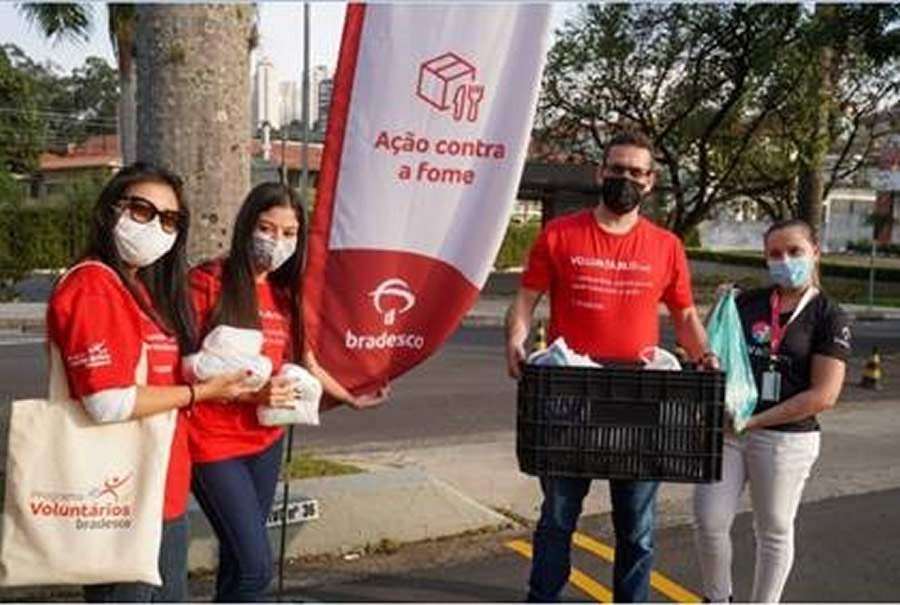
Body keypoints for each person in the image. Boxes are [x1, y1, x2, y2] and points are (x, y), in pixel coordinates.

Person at [505, 130, 717, 602]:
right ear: (601, 173)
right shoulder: (560, 234)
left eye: (636, 172)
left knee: (637, 526)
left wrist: (704, 356)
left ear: (651, 181)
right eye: (617, 169)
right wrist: (516, 340)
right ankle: (544, 597)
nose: (625, 179)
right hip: (569, 392)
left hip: (637, 397)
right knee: (558, 516)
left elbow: (684, 315)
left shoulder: (666, 246)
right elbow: (525, 300)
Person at [45, 163, 256, 602]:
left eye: (170, 219)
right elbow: (107, 401)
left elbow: (153, 374)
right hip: (121, 495)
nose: (157, 227)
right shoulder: (94, 287)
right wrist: (202, 393)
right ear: (110, 212)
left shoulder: (138, 289)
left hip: (159, 489)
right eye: (143, 211)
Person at [188, 182, 389, 602]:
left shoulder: (285, 293)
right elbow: (183, 371)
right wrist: (252, 395)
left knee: (239, 561)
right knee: (257, 569)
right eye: (265, 228)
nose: (275, 241)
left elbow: (308, 362)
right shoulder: (207, 281)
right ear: (245, 227)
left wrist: (351, 398)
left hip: (266, 443)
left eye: (288, 233)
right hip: (212, 444)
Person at [693, 219, 851, 603]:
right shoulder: (747, 303)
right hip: (729, 432)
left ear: (816, 252)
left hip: (786, 438)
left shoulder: (830, 315)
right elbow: (711, 353)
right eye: (775, 254)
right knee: (709, 521)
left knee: (774, 528)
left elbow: (824, 395)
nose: (785, 260)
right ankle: (717, 597)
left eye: (794, 251)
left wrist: (758, 421)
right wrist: (718, 308)